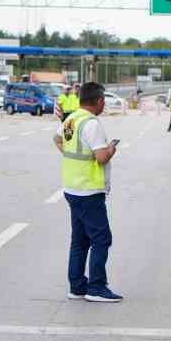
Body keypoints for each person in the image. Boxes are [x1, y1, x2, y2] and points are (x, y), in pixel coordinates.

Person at [53, 81, 122, 303]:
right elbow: (101, 157)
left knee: (80, 240)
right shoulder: (92, 124)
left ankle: (77, 286)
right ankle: (97, 288)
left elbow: (56, 139)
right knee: (102, 239)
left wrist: (71, 155)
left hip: (72, 187)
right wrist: (111, 148)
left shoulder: (71, 119)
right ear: (100, 101)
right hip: (89, 190)